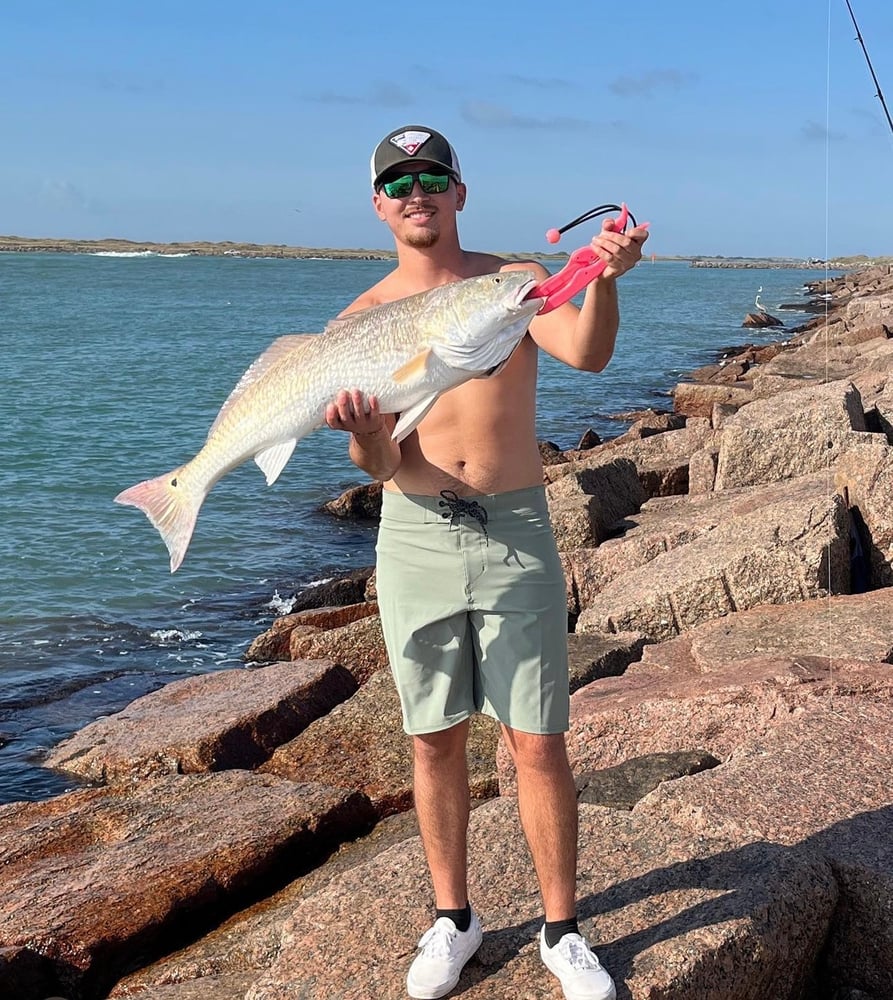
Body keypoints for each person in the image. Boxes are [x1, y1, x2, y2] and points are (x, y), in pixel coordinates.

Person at [325, 124, 647, 1000]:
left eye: (433, 176)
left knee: (537, 743)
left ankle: (561, 929)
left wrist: (606, 284)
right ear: (379, 205)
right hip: (417, 532)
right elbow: (384, 465)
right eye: (398, 183)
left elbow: (586, 352)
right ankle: (452, 919)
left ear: (460, 193)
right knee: (433, 743)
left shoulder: (514, 286)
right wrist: (362, 438)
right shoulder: (360, 323)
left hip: (515, 528)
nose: (415, 192)